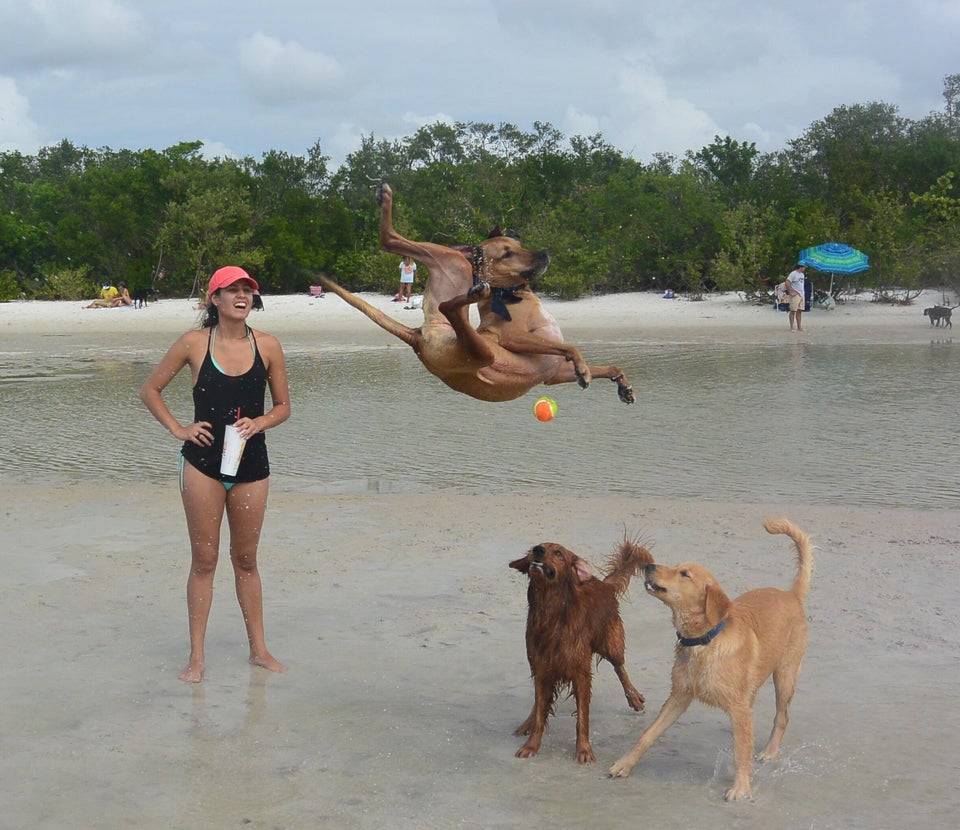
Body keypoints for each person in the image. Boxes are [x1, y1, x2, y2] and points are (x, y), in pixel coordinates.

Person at [139, 265, 291, 683]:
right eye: (232, 290)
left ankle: (259, 650)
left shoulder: (270, 346)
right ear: (215, 299)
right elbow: (150, 390)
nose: (242, 296)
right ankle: (196, 657)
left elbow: (283, 407)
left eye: (247, 290)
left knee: (246, 560)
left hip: (251, 465)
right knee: (204, 561)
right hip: (202, 465)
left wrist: (259, 423)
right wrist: (179, 429)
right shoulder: (193, 344)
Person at [784, 263, 807, 332]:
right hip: (795, 295)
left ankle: (799, 327)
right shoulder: (793, 274)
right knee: (793, 310)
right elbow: (787, 282)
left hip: (801, 294)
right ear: (800, 267)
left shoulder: (802, 275)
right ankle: (792, 327)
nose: (805, 268)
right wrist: (790, 291)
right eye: (804, 267)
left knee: (799, 311)